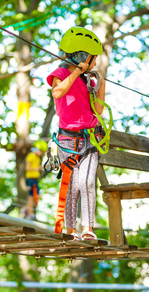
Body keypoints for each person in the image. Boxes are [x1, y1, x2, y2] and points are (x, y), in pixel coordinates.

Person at [47, 26, 106, 241]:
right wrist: (76, 72)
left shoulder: (88, 80)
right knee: (71, 186)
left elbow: (98, 111)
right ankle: (70, 229)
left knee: (87, 182)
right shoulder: (61, 73)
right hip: (67, 141)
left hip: (89, 138)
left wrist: (100, 84)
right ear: (81, 56)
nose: (96, 62)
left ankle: (88, 227)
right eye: (94, 58)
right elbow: (57, 92)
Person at [22, 140, 48, 220]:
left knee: (35, 196)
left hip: (35, 179)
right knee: (32, 196)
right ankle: (30, 213)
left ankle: (26, 209)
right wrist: (36, 168)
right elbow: (27, 168)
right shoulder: (31, 156)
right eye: (41, 151)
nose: (41, 153)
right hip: (30, 179)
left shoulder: (37, 158)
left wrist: (41, 167)